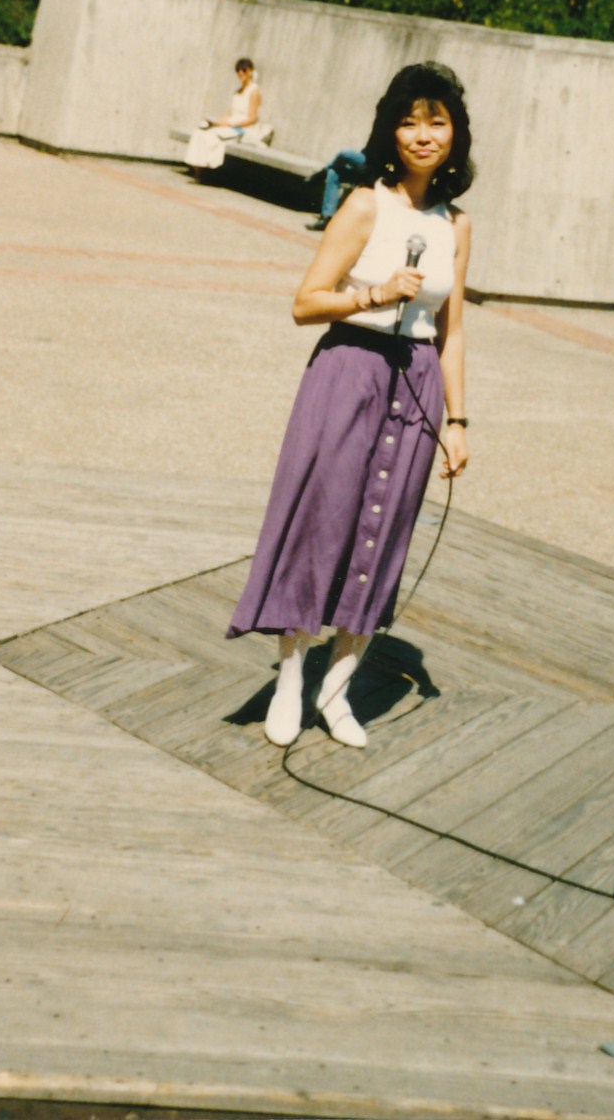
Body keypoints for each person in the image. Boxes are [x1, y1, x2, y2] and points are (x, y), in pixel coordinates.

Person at [226, 61, 474, 750]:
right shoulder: (366, 204)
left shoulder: (457, 223)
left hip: (417, 379)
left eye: (437, 122)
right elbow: (305, 302)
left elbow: (453, 331)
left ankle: (336, 690)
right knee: (323, 518)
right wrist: (373, 295)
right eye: (409, 122)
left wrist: (458, 420)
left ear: (456, 134)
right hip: (349, 369)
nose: (423, 135)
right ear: (390, 131)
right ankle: (290, 679)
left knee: (384, 527)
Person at [184, 58, 262, 179]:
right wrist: (216, 123)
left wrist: (230, 125)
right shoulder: (238, 91)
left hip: (243, 129)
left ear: (250, 71)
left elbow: (252, 119)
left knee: (212, 136)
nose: (241, 73)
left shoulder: (254, 91)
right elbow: (230, 114)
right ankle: (197, 169)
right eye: (238, 70)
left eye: (244, 70)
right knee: (200, 132)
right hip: (230, 125)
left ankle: (202, 172)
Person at [305, 147, 367, 230]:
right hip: (365, 165)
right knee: (333, 173)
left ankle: (322, 173)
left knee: (344, 153)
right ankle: (327, 218)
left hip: (374, 170)